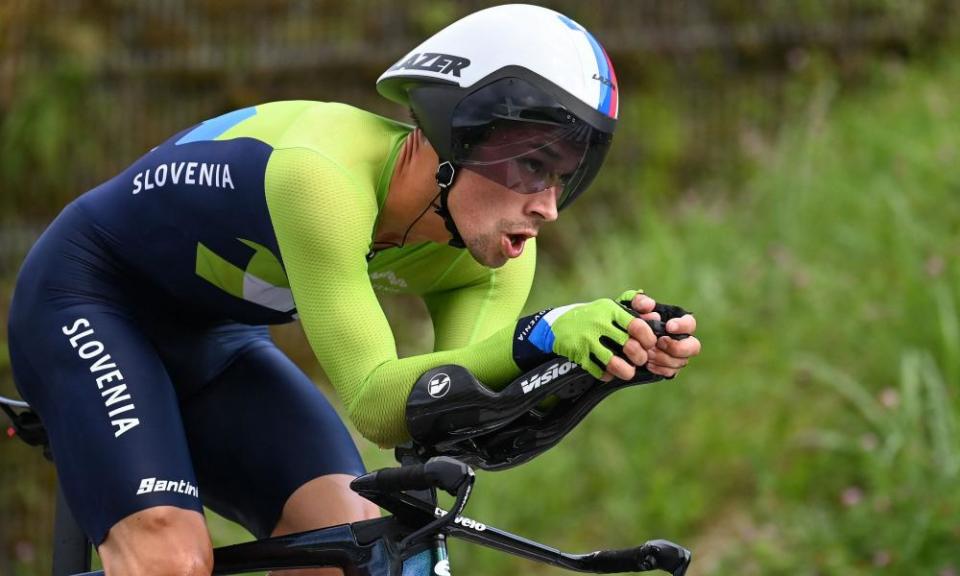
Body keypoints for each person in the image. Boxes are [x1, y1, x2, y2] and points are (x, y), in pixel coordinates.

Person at [6, 4, 701, 576]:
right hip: (88, 300)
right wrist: (537, 334)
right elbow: (374, 402)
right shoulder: (322, 178)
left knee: (349, 548)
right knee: (170, 555)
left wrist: (593, 367)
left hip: (214, 341)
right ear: (457, 133)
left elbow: (443, 420)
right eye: (530, 167)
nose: (547, 206)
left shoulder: (499, 252)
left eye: (563, 177)